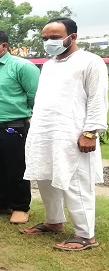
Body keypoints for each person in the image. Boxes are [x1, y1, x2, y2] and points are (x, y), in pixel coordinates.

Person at [21, 18, 108, 251]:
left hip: (74, 133)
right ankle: (54, 221)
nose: (49, 42)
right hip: (45, 132)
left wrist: (90, 132)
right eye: (45, 38)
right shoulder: (49, 64)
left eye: (55, 37)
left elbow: (97, 99)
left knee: (76, 182)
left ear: (73, 37)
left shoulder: (91, 61)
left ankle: (85, 235)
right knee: (46, 178)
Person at [0, 29, 40, 224]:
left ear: (4, 46)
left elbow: (34, 97)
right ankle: (1, 203)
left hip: (14, 128)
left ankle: (20, 207)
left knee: (16, 169)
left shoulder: (22, 67)